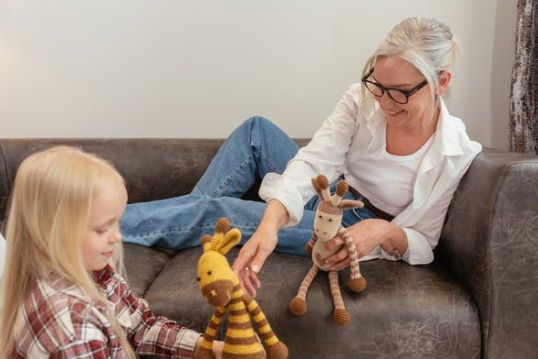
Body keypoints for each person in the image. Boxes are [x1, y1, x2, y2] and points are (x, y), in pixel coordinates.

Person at [120, 16, 481, 297]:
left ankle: (91, 227)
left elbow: (424, 241)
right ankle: (177, 227)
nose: (385, 103)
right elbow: (314, 161)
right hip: (330, 193)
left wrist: (384, 230)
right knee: (256, 131)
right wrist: (271, 222)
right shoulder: (360, 99)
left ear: (442, 82)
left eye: (400, 93)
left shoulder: (455, 152)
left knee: (217, 213)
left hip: (351, 224)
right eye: (379, 87)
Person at [0, 146, 223, 358]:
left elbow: (140, 327)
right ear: (54, 232)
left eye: (117, 222)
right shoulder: (74, 329)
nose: (117, 237)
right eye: (101, 229)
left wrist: (207, 348)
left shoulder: (94, 271)